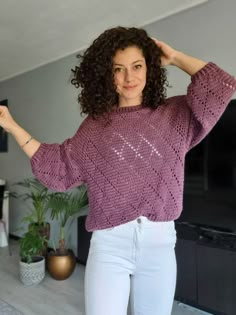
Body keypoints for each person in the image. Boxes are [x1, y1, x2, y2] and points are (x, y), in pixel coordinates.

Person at [0, 26, 235, 315]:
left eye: (137, 66)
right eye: (118, 69)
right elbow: (58, 165)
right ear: (107, 75)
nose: (129, 77)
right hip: (110, 246)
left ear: (149, 67)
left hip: (159, 245)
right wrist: (11, 126)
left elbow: (220, 86)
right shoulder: (95, 126)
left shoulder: (174, 115)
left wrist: (174, 57)